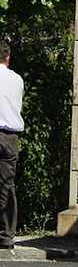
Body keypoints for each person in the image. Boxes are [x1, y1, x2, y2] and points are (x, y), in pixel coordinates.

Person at [0, 39, 24, 252]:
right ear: (8, 58)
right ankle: (7, 236)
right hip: (10, 136)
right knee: (7, 186)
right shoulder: (17, 80)